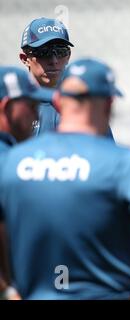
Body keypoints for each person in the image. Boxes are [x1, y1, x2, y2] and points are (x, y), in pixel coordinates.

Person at [0, 58, 130, 299]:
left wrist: (8, 290)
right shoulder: (123, 162)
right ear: (109, 104)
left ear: (57, 102)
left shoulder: (16, 161)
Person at [0, 66, 54, 300]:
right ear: (5, 107)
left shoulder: (11, 154)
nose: (37, 115)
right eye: (31, 107)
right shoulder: (8, 162)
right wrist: (7, 289)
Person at [20, 17, 114, 139]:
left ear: (68, 56)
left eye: (60, 52)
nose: (54, 60)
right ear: (24, 59)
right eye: (43, 52)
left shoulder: (84, 105)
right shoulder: (14, 108)